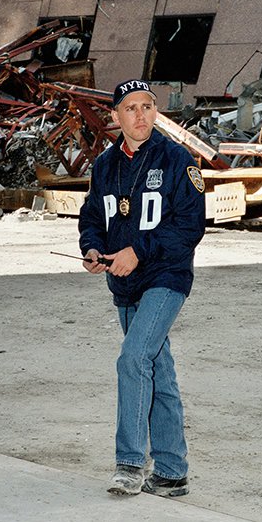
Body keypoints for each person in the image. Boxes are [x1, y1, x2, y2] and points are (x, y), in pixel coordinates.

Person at [78, 79, 206, 498]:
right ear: (116, 116)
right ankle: (171, 472)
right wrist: (92, 248)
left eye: (147, 106)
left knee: (133, 359)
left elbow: (189, 227)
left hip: (166, 277)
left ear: (155, 112)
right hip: (124, 281)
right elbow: (91, 217)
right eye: (130, 108)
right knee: (157, 371)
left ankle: (130, 464)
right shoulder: (104, 165)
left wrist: (137, 250)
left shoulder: (177, 159)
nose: (140, 115)